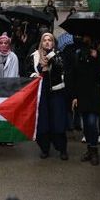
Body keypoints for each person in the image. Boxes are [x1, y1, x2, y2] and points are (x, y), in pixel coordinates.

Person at [30, 32, 68, 160]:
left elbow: (62, 68)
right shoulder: (34, 56)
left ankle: (62, 149)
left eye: (50, 40)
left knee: (58, 121)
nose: (47, 42)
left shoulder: (58, 55)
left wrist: (51, 57)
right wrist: (35, 74)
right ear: (41, 42)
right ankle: (44, 148)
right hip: (41, 93)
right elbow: (28, 72)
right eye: (45, 40)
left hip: (56, 92)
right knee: (43, 122)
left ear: (53, 42)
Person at [71, 35, 100, 166]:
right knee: (85, 123)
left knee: (92, 122)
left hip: (94, 94)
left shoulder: (99, 54)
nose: (85, 39)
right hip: (82, 94)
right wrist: (74, 96)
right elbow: (74, 74)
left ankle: (94, 149)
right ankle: (90, 150)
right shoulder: (78, 54)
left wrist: (96, 58)